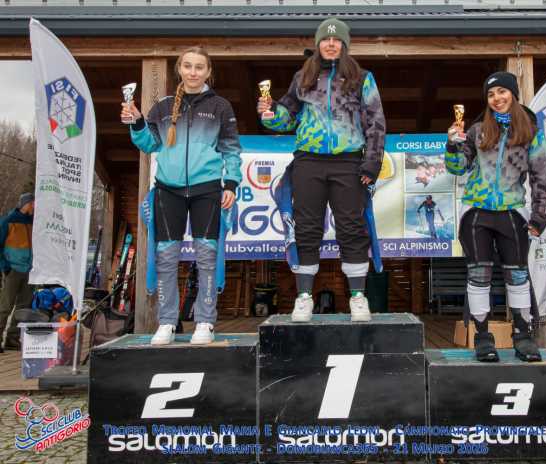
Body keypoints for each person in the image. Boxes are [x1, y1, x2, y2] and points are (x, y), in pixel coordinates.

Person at [257, 18, 386, 323]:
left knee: (352, 227)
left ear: (344, 45)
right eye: (325, 40)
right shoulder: (303, 76)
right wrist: (270, 113)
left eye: (336, 40)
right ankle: (304, 298)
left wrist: (372, 162)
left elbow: (376, 121)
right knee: (306, 228)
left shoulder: (362, 78)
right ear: (318, 44)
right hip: (309, 161)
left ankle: (358, 297)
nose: (330, 44)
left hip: (348, 161)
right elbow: (288, 117)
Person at [121, 46, 242, 345]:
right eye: (187, 66)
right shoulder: (163, 107)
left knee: (207, 257)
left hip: (207, 189)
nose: (193, 72)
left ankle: (205, 322)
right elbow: (149, 144)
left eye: (199, 67)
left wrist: (231, 184)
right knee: (166, 257)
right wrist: (136, 121)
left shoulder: (220, 106)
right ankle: (167, 322)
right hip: (168, 190)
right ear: (180, 69)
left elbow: (231, 149)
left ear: (208, 71)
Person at [444, 71, 546, 363]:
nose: (496, 98)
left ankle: (523, 337)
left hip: (512, 212)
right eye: (491, 95)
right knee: (478, 275)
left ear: (513, 95)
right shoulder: (478, 130)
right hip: (476, 212)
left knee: (517, 275)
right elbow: (458, 167)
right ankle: (482, 338)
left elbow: (542, 177)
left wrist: (539, 218)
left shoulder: (531, 132)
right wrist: (452, 145)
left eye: (502, 92)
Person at [0, 193, 35, 351]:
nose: (34, 207)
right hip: (12, 269)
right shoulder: (8, 221)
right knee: (5, 306)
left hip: (29, 270)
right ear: (26, 204)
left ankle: (12, 339)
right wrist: (5, 267)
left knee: (23, 306)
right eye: (33, 203)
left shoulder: (32, 222)